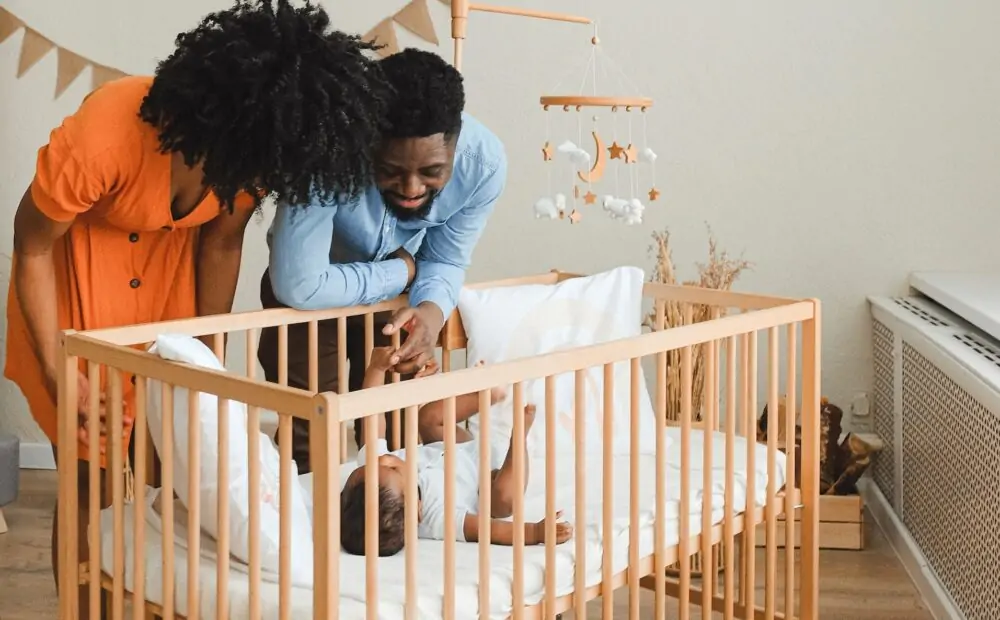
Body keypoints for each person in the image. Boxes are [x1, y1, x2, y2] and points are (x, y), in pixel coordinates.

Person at [4, 1, 393, 615]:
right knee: (90, 486)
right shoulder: (104, 137)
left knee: (165, 482)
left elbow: (221, 242)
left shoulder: (253, 159)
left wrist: (205, 368)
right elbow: (29, 248)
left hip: (165, 302)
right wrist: (62, 371)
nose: (269, 180)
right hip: (73, 303)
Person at [258, 48, 508, 470]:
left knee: (395, 432)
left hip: (391, 297)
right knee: (311, 431)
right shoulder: (323, 150)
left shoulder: (481, 165)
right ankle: (311, 523)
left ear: (455, 141)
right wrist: (403, 270)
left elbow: (446, 258)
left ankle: (380, 526)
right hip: (308, 295)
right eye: (390, 170)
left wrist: (430, 311)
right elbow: (298, 284)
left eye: (432, 172)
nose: (411, 187)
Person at [339, 346, 573, 556]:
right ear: (417, 509)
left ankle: (487, 395)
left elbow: (372, 414)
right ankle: (518, 439)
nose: (384, 458)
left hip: (456, 446)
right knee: (503, 501)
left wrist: (376, 369)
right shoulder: (438, 517)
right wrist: (535, 532)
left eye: (375, 464)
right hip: (488, 475)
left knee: (428, 418)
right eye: (392, 468)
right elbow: (488, 530)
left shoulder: (373, 471)